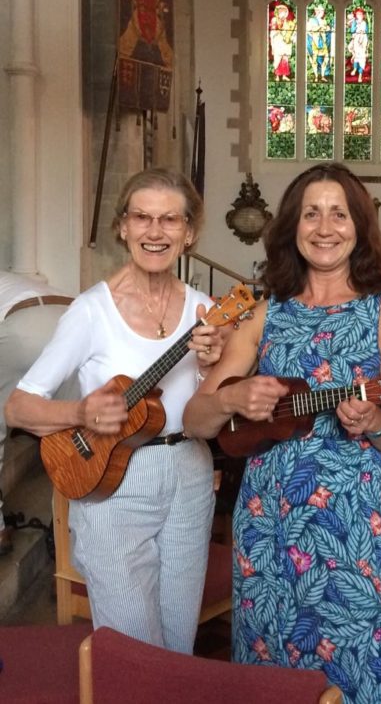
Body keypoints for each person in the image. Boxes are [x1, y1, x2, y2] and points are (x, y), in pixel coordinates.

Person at [183, 162, 381, 702]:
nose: (325, 226)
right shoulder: (264, 315)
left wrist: (375, 420)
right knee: (268, 670)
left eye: (339, 213)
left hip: (348, 528)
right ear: (292, 225)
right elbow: (195, 420)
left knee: (354, 667)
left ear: (360, 226)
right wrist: (231, 397)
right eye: (311, 213)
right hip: (267, 523)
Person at [4, 168, 224, 653]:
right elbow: (19, 408)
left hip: (189, 474)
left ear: (188, 234)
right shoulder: (90, 311)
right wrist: (81, 413)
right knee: (132, 650)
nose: (155, 231)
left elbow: (209, 410)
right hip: (112, 482)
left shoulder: (204, 310)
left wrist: (211, 367)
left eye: (170, 220)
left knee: (179, 645)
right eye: (142, 217)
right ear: (122, 227)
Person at [0, 272, 74, 556]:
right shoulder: (17, 280)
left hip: (27, 328)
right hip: (74, 321)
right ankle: (67, 545)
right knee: (78, 442)